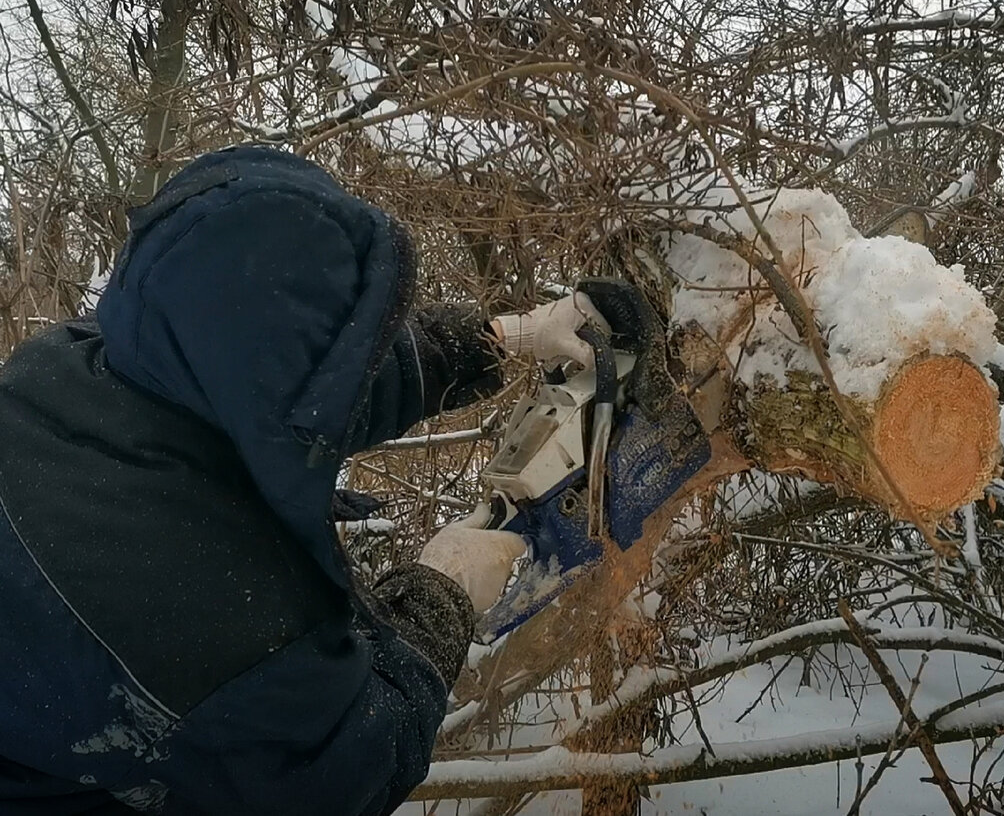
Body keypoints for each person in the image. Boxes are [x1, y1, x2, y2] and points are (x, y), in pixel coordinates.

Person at [0, 146, 608, 814]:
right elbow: (349, 766)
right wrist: (444, 592)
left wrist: (501, 337)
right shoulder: (220, 624)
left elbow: (294, 386)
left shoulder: (76, 363)